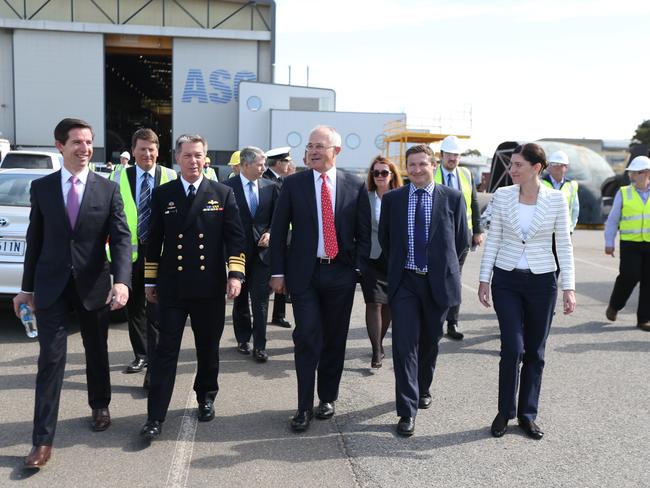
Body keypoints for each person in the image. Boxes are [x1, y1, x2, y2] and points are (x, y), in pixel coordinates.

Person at [14, 118, 132, 468]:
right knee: (50, 360)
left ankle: (99, 404)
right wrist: (25, 289)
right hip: (51, 287)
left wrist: (122, 280)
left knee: (96, 350)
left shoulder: (107, 189)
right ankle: (42, 441)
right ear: (59, 146)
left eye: (88, 142)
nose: (84, 148)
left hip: (93, 284)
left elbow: (122, 238)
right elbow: (34, 240)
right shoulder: (43, 188)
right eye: (77, 142)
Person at [139, 134, 246, 441]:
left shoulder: (222, 193)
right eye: (188, 156)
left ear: (206, 158)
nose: (194, 161)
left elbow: (235, 239)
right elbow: (154, 240)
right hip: (172, 287)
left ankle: (206, 395)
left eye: (199, 155)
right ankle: (155, 416)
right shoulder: (164, 194)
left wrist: (235, 275)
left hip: (208, 287)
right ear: (177, 158)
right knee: (164, 352)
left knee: (207, 349)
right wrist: (149, 280)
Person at [270, 125, 371, 432]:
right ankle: (303, 407)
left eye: (319, 146)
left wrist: (356, 270)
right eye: (310, 145)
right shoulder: (294, 184)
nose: (313, 151)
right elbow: (278, 232)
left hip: (340, 274)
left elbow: (364, 235)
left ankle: (327, 397)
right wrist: (277, 272)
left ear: (335, 151)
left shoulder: (355, 185)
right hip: (305, 274)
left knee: (334, 340)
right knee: (307, 338)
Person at [478, 142, 576, 441]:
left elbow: (564, 245)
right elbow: (493, 239)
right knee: (513, 348)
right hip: (506, 280)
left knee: (535, 351)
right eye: (512, 164)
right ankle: (504, 411)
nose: (512, 170)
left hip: (542, 282)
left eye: (518, 165)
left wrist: (568, 288)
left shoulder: (556, 200)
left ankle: (527, 415)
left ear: (537, 168)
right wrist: (484, 279)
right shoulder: (503, 195)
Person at [378, 144, 468, 437]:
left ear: (434, 165)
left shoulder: (452, 198)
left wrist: (444, 269)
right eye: (411, 165)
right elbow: (387, 240)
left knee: (430, 341)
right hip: (405, 282)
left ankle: (423, 387)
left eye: (422, 164)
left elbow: (461, 240)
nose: (416, 170)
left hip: (437, 283)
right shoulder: (393, 199)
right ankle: (406, 411)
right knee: (404, 346)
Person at [110, 129, 177, 383]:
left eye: (151, 149)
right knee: (134, 308)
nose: (147, 154)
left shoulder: (170, 176)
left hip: (161, 256)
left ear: (158, 151)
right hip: (130, 256)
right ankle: (142, 354)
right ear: (133, 151)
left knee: (157, 311)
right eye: (142, 149)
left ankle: (155, 364)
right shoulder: (119, 176)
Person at [223, 146, 279, 361]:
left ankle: (260, 345)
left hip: (263, 254)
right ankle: (242, 338)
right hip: (238, 254)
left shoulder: (270, 187)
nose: (263, 167)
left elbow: (278, 217)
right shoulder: (227, 187)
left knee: (261, 300)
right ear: (245, 165)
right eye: (260, 163)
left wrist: (271, 233)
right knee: (240, 299)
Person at [434, 135, 483, 340]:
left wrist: (478, 230)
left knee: (455, 279)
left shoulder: (466, 174)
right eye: (449, 154)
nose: (453, 158)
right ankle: (434, 321)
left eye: (456, 155)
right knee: (436, 277)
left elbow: (473, 201)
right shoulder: (432, 173)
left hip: (463, 234)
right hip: (436, 236)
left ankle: (452, 323)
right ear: (442, 155)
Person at [362, 155, 402, 368]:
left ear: (392, 175)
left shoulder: (400, 197)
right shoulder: (365, 197)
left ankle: (379, 342)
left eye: (384, 172)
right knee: (374, 303)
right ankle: (376, 350)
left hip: (395, 259)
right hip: (371, 259)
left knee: (388, 305)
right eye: (375, 172)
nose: (379, 176)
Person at [603, 155, 650, 331]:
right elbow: (613, 219)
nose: (631, 176)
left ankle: (644, 319)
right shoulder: (624, 192)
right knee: (629, 276)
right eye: (630, 173)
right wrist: (609, 241)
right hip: (630, 243)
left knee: (648, 281)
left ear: (646, 173)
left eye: (635, 173)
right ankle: (615, 305)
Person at [263, 146, 293, 328]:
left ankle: (278, 315)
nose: (289, 164)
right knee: (266, 281)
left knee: (284, 274)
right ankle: (260, 319)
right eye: (287, 161)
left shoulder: (284, 181)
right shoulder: (264, 181)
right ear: (279, 163)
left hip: (286, 237)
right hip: (266, 238)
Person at [542, 150, 579, 232]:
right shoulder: (540, 184)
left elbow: (575, 209)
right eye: (554, 164)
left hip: (565, 230)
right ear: (549, 166)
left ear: (566, 167)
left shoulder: (572, 185)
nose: (557, 167)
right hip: (544, 231)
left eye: (560, 164)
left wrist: (571, 228)